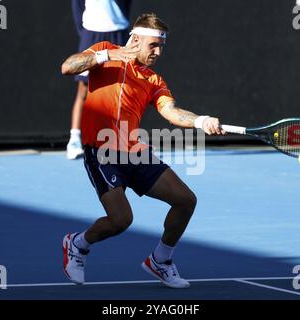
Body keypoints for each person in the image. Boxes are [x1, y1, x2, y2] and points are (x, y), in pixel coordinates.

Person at [61, 13, 225, 288]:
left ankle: (161, 260)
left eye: (161, 47)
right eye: (153, 45)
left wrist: (200, 121)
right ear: (135, 40)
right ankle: (78, 244)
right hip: (101, 151)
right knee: (121, 220)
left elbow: (171, 112)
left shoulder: (153, 80)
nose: (158, 52)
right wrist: (110, 55)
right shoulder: (104, 52)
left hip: (133, 151)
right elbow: (68, 67)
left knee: (186, 200)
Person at [67, 0, 132, 160]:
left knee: (121, 88)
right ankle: (74, 140)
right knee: (84, 89)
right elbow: (78, 6)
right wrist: (86, 32)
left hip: (118, 32)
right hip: (92, 33)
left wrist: (120, 22)